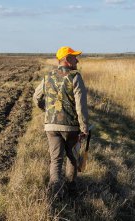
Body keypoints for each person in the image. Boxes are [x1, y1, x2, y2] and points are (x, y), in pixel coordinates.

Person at [33, 46, 89, 200]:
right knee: (71, 157)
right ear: (66, 59)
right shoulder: (75, 77)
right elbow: (81, 106)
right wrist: (84, 127)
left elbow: (36, 97)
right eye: (73, 57)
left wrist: (47, 110)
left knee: (56, 159)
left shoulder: (47, 77)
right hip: (71, 126)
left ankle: (55, 193)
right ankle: (71, 190)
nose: (77, 60)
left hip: (51, 126)